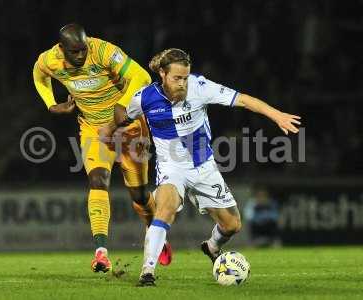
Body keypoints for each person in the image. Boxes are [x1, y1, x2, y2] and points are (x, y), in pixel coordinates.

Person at [104, 48, 301, 286]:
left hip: (204, 166)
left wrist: (276, 115)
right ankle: (147, 273)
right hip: (171, 167)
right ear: (163, 74)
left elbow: (244, 100)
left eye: (185, 77)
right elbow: (122, 114)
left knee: (232, 225)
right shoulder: (144, 97)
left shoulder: (200, 87)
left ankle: (211, 246)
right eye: (177, 78)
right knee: (165, 209)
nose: (182, 83)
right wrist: (112, 125)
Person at [32, 24, 172, 273]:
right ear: (62, 49)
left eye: (83, 49)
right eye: (74, 52)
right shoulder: (50, 59)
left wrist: (121, 104)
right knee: (98, 179)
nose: (81, 55)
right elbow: (38, 73)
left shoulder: (104, 51)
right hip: (93, 129)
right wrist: (51, 104)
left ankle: (157, 235)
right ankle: (101, 252)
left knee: (139, 196)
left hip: (129, 128)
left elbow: (141, 77)